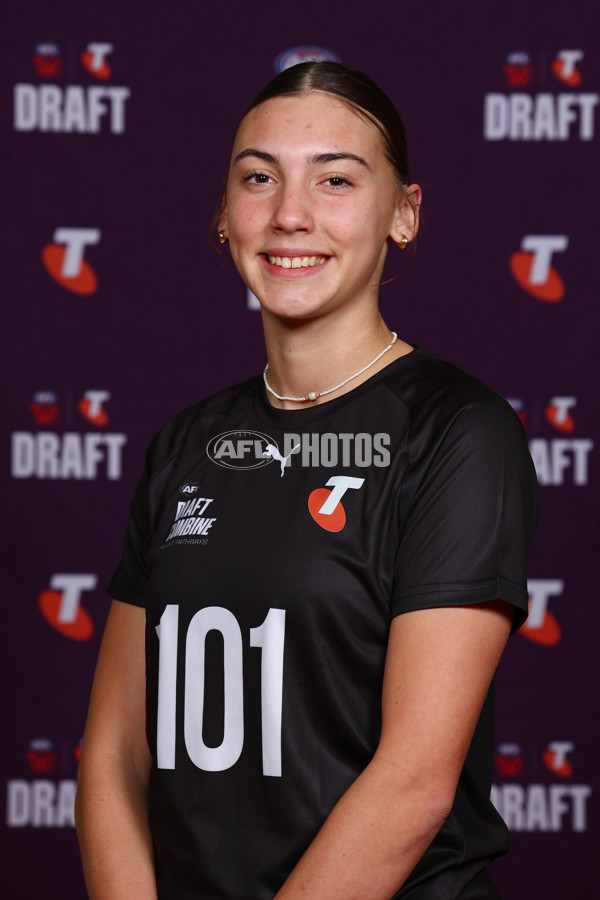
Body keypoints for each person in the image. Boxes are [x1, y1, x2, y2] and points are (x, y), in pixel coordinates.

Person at [75, 62, 538, 899]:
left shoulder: (457, 433)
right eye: (259, 178)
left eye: (334, 179)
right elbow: (112, 753)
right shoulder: (185, 444)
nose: (291, 214)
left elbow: (415, 782)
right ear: (224, 214)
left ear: (404, 214)